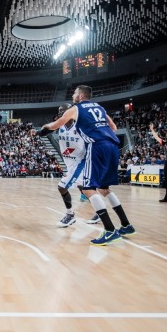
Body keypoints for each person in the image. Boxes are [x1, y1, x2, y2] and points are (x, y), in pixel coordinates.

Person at [41, 85, 135, 245]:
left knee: (88, 188)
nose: (73, 95)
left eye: (75, 93)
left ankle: (110, 230)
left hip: (97, 147)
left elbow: (54, 125)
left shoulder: (75, 109)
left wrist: (40, 131)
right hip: (112, 145)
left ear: (81, 96)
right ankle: (126, 224)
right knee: (103, 188)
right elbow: (114, 128)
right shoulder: (99, 107)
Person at [40, 103, 100, 228]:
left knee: (62, 187)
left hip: (80, 162)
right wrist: (36, 132)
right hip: (70, 163)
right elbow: (46, 131)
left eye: (64, 110)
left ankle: (70, 214)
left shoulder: (80, 126)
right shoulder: (59, 125)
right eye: (59, 111)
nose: (61, 113)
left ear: (71, 112)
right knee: (84, 189)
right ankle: (100, 211)